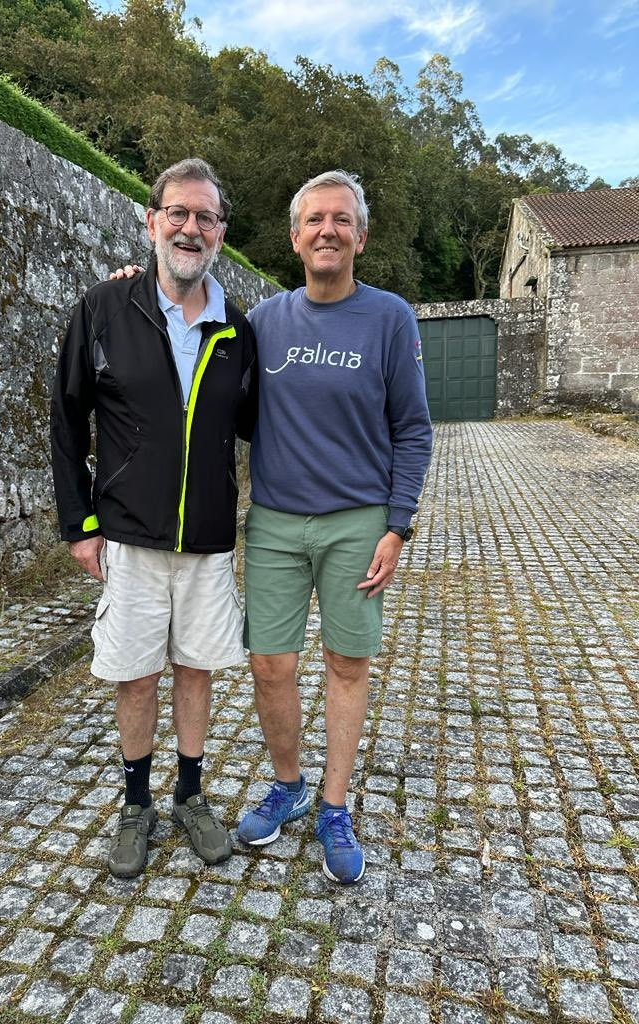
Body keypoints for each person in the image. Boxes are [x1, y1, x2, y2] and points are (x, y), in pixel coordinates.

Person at [50, 158, 257, 879]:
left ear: (221, 235)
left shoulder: (239, 330)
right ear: (152, 222)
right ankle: (136, 804)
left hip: (205, 543)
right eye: (178, 213)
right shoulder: (103, 310)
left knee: (196, 671)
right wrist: (78, 523)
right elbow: (66, 421)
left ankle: (190, 796)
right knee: (136, 677)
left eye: (205, 217)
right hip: (130, 540)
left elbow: (261, 425)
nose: (190, 228)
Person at [235, 170, 433, 884]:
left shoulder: (389, 319)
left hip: (358, 523)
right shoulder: (262, 324)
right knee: (269, 664)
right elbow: (190, 351)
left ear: (361, 236)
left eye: (341, 220)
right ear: (294, 236)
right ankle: (288, 786)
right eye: (314, 219)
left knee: (347, 664)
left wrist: (397, 525)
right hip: (277, 524)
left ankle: (334, 805)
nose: (327, 230)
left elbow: (413, 429)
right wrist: (136, 286)